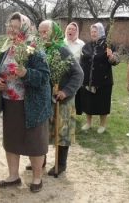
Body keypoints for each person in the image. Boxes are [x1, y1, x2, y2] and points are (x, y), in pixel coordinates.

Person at [0, 12, 51, 192]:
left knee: (34, 142)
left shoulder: (33, 48)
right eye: (10, 25)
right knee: (11, 140)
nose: (11, 29)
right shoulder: (6, 48)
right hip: (10, 103)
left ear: (24, 28)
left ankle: (36, 178)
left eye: (16, 27)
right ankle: (13, 176)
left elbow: (44, 76)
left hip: (32, 104)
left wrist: (26, 74)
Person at [38, 20, 83, 176]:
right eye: (40, 32)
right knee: (43, 130)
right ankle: (40, 160)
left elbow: (79, 73)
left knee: (62, 131)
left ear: (54, 32)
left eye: (46, 32)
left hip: (63, 98)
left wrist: (65, 91)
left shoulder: (62, 49)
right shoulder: (42, 48)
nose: (42, 35)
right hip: (46, 98)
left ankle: (61, 164)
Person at [79, 22, 120, 133]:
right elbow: (81, 61)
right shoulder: (87, 45)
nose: (93, 34)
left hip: (103, 80)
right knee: (88, 102)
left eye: (95, 31)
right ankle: (88, 123)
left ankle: (102, 125)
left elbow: (116, 61)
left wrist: (111, 56)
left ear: (101, 32)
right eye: (92, 32)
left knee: (103, 102)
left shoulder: (108, 45)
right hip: (87, 79)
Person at [64, 22, 85, 115]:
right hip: (63, 74)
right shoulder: (62, 43)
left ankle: (73, 114)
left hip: (75, 73)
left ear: (76, 32)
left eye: (73, 29)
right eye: (69, 29)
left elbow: (84, 59)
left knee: (74, 94)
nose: (71, 31)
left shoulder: (81, 44)